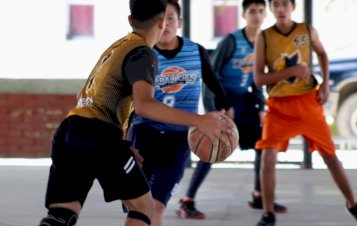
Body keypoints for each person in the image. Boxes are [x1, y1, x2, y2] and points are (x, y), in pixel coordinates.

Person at [36, 0, 234, 225]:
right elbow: (144, 105)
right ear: (161, 22)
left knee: (63, 212)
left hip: (70, 131)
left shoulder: (117, 46)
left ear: (131, 21)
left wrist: (122, 140)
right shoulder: (143, 53)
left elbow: (81, 96)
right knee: (144, 207)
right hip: (100, 136)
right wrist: (200, 120)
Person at [253, 0, 357, 226]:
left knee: (331, 159)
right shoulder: (265, 37)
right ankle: (268, 213)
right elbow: (258, 79)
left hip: (308, 103)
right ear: (271, 8)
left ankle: (354, 205)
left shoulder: (307, 31)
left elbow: (323, 55)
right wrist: (290, 71)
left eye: (284, 4)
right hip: (279, 107)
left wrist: (326, 85)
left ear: (293, 6)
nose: (280, 9)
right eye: (275, 4)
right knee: (267, 159)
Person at [121, 0, 233, 226]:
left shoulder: (196, 51)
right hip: (144, 132)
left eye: (171, 17)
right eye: (162, 18)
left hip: (179, 138)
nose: (166, 23)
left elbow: (213, 83)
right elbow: (127, 101)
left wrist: (224, 110)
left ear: (179, 22)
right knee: (137, 207)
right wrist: (124, 140)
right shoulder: (142, 55)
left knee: (156, 205)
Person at [176, 0, 287, 220]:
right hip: (222, 98)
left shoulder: (263, 42)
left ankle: (258, 195)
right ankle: (187, 201)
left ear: (266, 15)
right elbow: (210, 75)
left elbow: (256, 79)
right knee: (212, 147)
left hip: (243, 99)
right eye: (252, 11)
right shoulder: (231, 41)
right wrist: (214, 110)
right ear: (244, 15)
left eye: (261, 11)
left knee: (261, 143)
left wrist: (261, 107)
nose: (257, 15)